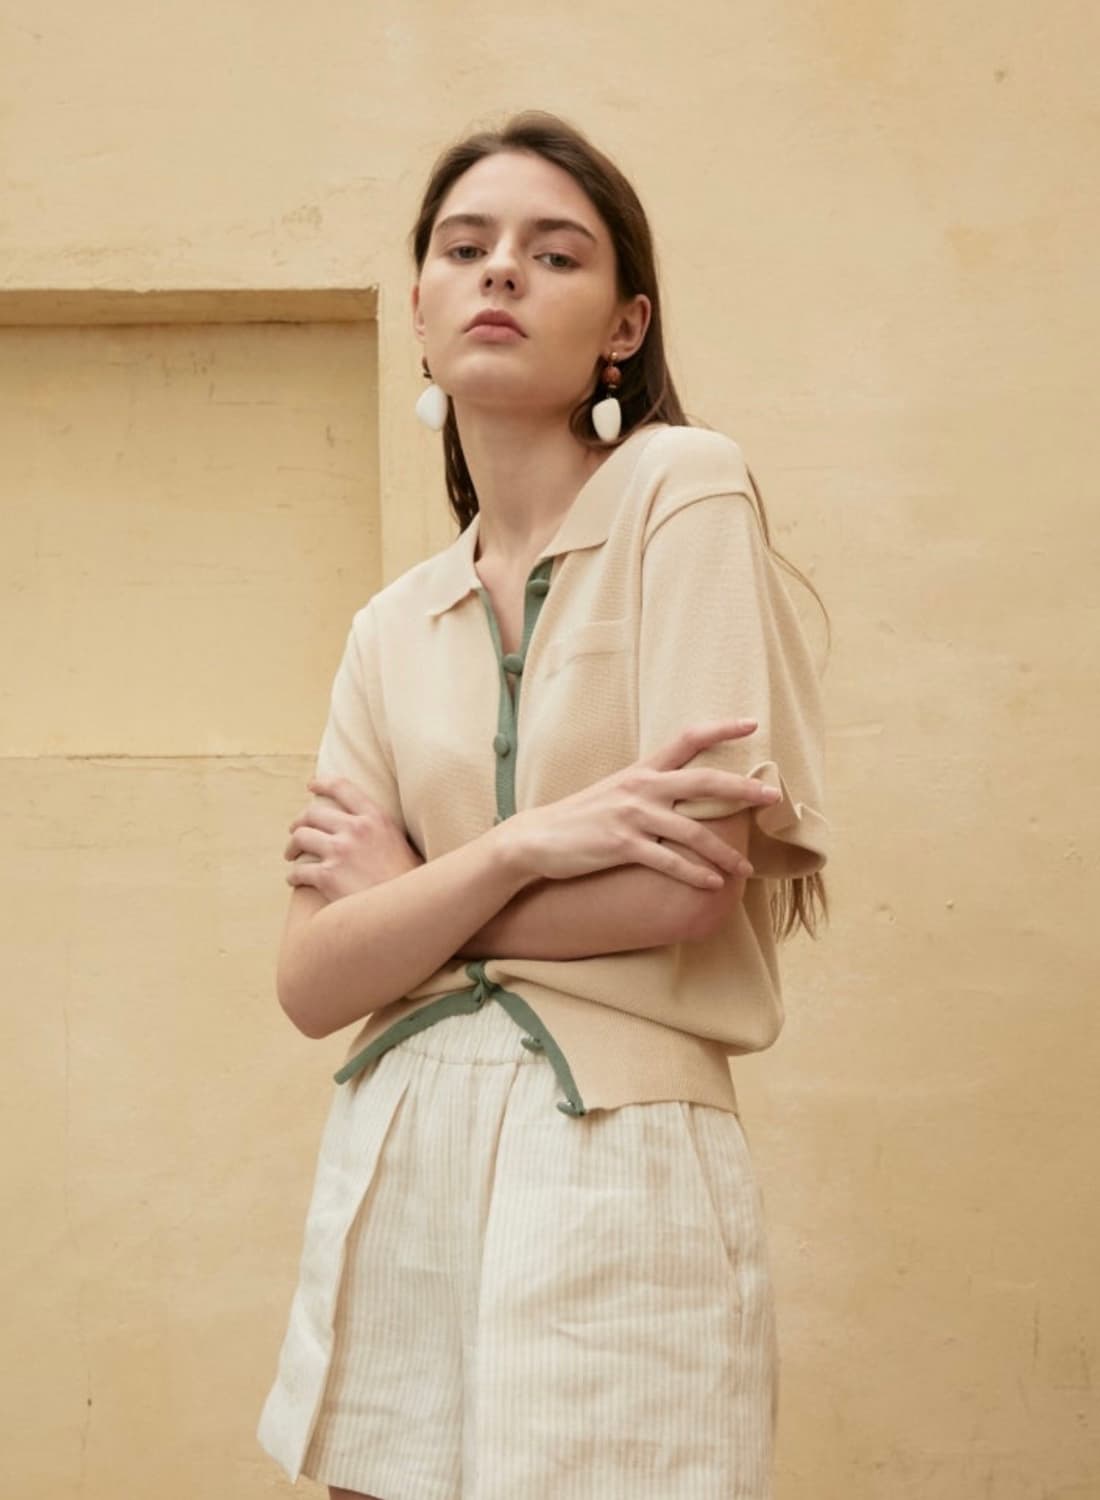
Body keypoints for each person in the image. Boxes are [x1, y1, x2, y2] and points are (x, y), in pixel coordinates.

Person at [256, 109, 830, 1500]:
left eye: (554, 253)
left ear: (624, 326)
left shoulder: (683, 489)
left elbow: (685, 883)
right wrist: (523, 848)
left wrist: (416, 897)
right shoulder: (389, 627)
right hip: (402, 1133)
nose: (502, 270)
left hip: (614, 1148)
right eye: (466, 248)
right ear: (420, 310)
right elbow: (314, 981)